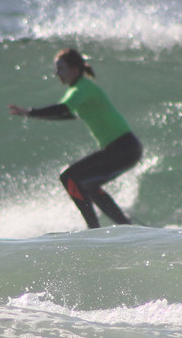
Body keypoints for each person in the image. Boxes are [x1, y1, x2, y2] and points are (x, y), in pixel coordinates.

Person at [9, 48, 142, 229]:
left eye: (61, 68)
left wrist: (30, 112)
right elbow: (68, 114)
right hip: (127, 148)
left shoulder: (81, 89)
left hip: (123, 147)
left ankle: (93, 229)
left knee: (69, 176)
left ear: (75, 69)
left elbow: (63, 109)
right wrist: (34, 115)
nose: (57, 73)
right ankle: (127, 226)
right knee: (89, 185)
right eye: (57, 69)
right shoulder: (82, 89)